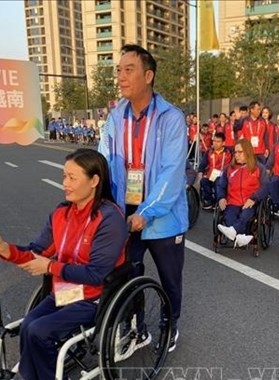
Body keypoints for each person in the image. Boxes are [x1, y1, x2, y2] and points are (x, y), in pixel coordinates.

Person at [0, 148, 128, 380]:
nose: (65, 184)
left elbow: (96, 274)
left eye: (72, 177)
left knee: (40, 330)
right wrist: (2, 247)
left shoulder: (110, 218)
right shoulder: (61, 214)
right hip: (65, 292)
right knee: (28, 327)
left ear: (94, 181)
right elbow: (36, 250)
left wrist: (50, 266)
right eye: (64, 176)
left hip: (96, 296)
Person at [99, 44, 187, 352]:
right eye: (119, 71)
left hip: (162, 218)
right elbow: (104, 162)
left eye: (129, 70)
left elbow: (172, 173)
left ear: (148, 75)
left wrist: (145, 213)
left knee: (170, 279)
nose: (121, 77)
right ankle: (136, 328)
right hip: (126, 213)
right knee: (127, 274)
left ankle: (171, 324)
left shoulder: (171, 118)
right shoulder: (114, 118)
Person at [216, 138, 269, 247]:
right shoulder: (229, 169)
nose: (236, 155)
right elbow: (220, 185)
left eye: (240, 152)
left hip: (250, 201)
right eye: (235, 152)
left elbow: (266, 187)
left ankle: (234, 232)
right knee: (229, 216)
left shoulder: (259, 168)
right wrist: (221, 197)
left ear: (247, 152)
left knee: (245, 214)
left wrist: (254, 198)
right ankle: (241, 237)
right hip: (233, 201)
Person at [197, 131, 233, 210]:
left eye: (218, 141)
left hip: (223, 177)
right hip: (211, 176)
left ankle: (218, 200)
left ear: (223, 143)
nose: (215, 143)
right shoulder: (209, 152)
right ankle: (210, 201)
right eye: (214, 141)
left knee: (219, 181)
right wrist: (200, 173)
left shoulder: (229, 152)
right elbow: (203, 164)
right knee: (203, 181)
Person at [240, 101, 269, 165]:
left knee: (261, 171)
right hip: (249, 151)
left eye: (259, 109)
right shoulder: (245, 121)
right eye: (257, 109)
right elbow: (240, 136)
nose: (259, 111)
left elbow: (266, 135)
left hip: (261, 151)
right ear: (252, 110)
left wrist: (267, 148)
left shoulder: (262, 121)